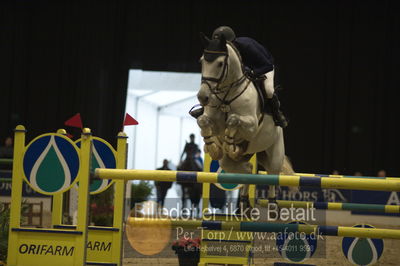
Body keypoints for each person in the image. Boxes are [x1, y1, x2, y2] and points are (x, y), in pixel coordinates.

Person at [191, 26, 288, 128]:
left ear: (232, 42)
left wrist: (252, 72)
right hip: (245, 69)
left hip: (262, 66)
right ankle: (204, 109)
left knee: (268, 91)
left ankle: (277, 113)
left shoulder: (247, 46)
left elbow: (267, 65)